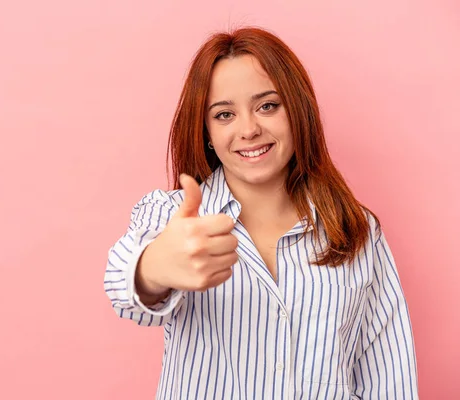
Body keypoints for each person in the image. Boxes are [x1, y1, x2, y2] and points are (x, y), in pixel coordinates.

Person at [103, 26, 418, 399]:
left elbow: (387, 375)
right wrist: (153, 268)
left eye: (267, 106)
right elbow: (124, 289)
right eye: (224, 115)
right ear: (206, 131)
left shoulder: (356, 229)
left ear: (296, 112)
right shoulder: (174, 217)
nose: (249, 129)